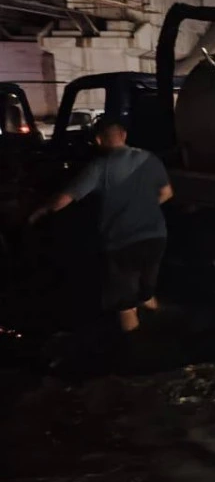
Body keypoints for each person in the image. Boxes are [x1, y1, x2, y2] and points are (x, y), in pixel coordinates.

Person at [29, 116, 173, 333]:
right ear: (123, 135)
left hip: (123, 242)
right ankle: (166, 327)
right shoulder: (150, 158)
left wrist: (41, 210)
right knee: (146, 293)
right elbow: (167, 193)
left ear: (97, 140)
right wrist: (143, 208)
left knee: (124, 304)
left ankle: (138, 349)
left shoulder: (100, 167)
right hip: (156, 239)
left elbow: (63, 200)